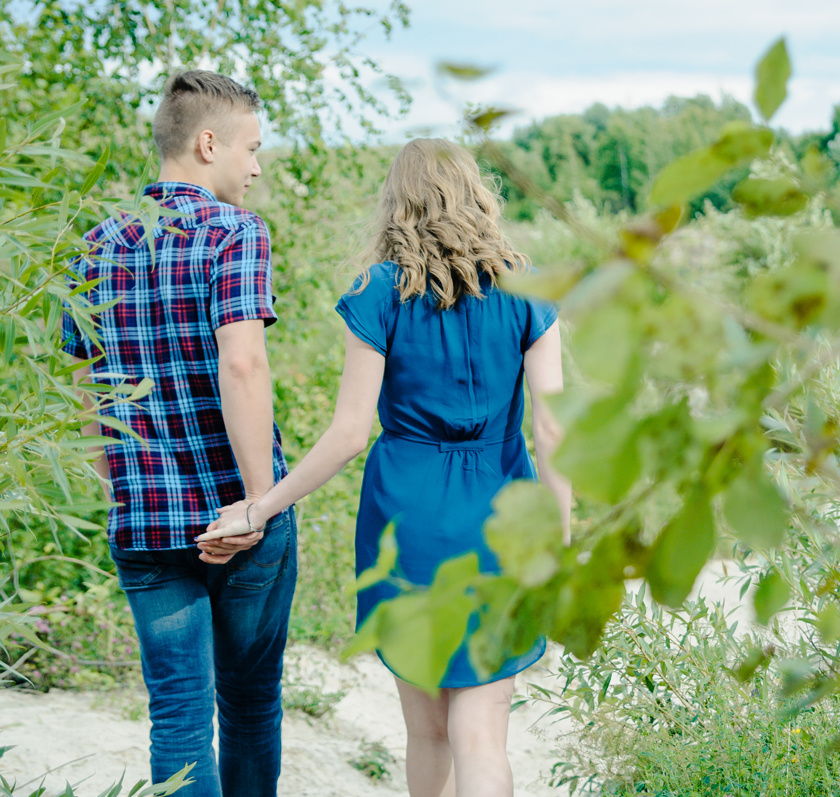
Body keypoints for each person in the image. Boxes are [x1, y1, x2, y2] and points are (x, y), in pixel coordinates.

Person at [199, 137, 571, 797]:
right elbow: (552, 426)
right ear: (475, 194)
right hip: (503, 516)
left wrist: (261, 505)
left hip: (407, 519)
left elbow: (347, 434)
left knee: (427, 730)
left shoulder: (379, 291)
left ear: (397, 202)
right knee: (482, 732)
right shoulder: (526, 286)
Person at [61, 71, 294, 796]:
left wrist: (121, 487)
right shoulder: (234, 232)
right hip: (240, 513)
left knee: (179, 717)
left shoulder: (95, 246)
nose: (256, 166)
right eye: (251, 148)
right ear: (206, 143)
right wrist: (258, 502)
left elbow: (84, 388)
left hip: (146, 524)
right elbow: (244, 361)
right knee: (250, 705)